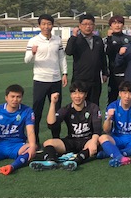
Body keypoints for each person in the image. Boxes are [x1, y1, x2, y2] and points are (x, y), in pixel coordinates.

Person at [30, 82, 101, 171]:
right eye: (74, 93)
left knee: (94, 143)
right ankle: (51, 161)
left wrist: (94, 142)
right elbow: (51, 124)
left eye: (80, 93)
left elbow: (97, 130)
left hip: (87, 140)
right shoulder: (67, 109)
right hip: (72, 140)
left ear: (85, 94)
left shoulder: (93, 107)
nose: (77, 96)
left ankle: (75, 161)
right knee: (48, 143)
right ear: (71, 95)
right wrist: (53, 103)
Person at [24, 13, 68, 144]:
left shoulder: (57, 40)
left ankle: (56, 139)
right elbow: (26, 60)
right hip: (40, 80)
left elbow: (62, 57)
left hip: (55, 80)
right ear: (39, 25)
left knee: (56, 112)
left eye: (49, 24)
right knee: (37, 112)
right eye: (43, 24)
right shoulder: (33, 41)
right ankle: (35, 141)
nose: (46, 26)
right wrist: (32, 52)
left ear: (52, 25)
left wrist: (65, 73)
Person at [65, 14, 108, 106]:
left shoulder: (98, 40)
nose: (88, 26)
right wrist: (73, 36)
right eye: (85, 24)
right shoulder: (76, 39)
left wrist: (105, 72)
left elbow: (102, 57)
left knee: (94, 104)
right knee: (79, 104)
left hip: (95, 79)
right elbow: (68, 52)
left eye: (90, 24)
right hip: (80, 78)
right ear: (80, 26)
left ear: (94, 26)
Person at [103, 15, 131, 104]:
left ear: (123, 25)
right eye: (114, 23)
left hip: (127, 73)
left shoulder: (129, 38)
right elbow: (106, 53)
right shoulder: (107, 39)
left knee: (128, 98)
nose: (117, 25)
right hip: (113, 74)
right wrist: (109, 38)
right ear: (110, 26)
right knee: (112, 98)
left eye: (119, 23)